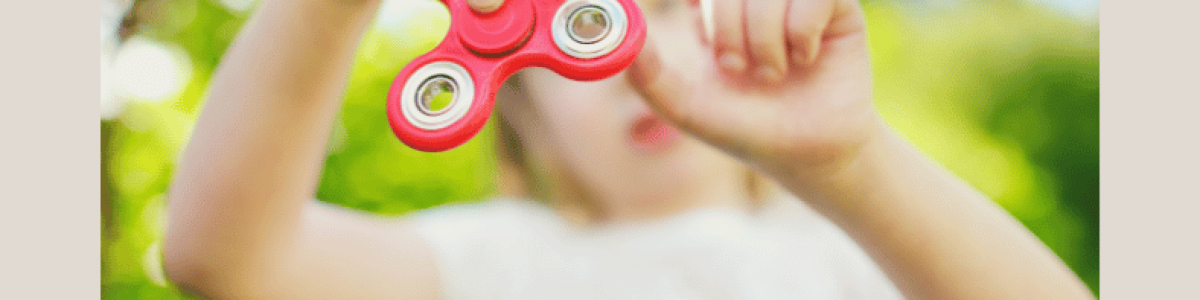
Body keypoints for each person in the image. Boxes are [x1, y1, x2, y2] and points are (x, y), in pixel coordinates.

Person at [162, 0, 1095, 299]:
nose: (632, 57)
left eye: (677, 7)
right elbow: (223, 255)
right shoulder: (483, 264)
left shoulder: (858, 254)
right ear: (514, 104)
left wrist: (848, 165)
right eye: (584, 28)